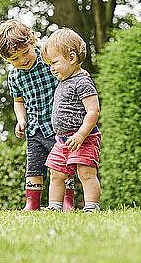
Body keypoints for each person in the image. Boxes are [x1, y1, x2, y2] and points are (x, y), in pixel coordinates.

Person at [0, 20, 76, 211]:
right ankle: (32, 202)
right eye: (14, 59)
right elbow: (18, 101)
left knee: (63, 167)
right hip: (34, 130)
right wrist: (21, 120)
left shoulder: (49, 62)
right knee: (34, 167)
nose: (22, 60)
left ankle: (66, 201)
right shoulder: (14, 77)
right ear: (7, 60)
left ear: (32, 41)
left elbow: (69, 75)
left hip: (59, 127)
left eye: (24, 53)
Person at [41, 28, 101, 213]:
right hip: (63, 141)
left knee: (86, 173)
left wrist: (81, 135)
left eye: (54, 62)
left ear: (72, 58)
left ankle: (91, 206)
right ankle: (55, 206)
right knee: (56, 174)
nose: (51, 68)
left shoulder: (82, 81)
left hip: (83, 138)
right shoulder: (64, 81)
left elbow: (93, 111)